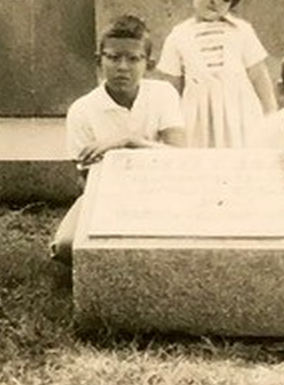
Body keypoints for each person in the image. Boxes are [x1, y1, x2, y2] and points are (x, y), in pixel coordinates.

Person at [49, 14, 186, 265]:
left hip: (162, 189)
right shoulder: (82, 109)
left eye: (133, 59)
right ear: (98, 61)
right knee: (66, 246)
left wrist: (127, 142)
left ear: (149, 64)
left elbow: (179, 158)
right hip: (106, 196)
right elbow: (87, 182)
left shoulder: (163, 94)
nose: (123, 67)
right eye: (113, 57)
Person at [154, 0, 278, 148]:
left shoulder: (241, 31)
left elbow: (259, 78)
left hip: (240, 119)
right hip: (197, 122)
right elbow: (171, 90)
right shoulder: (178, 37)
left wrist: (272, 120)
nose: (216, 1)